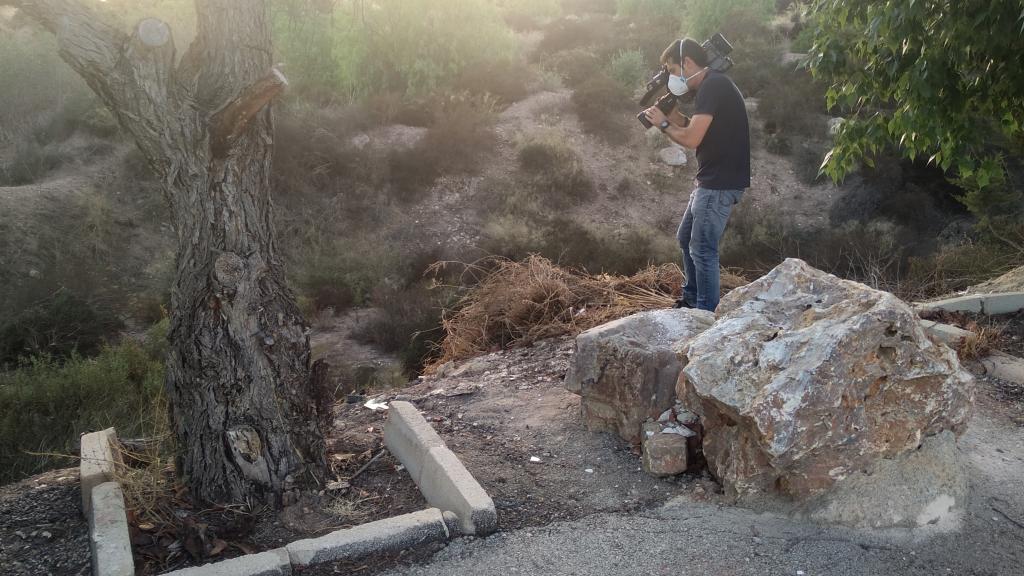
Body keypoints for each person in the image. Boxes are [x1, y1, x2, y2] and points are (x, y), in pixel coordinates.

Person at [643, 38, 750, 312]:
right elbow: (696, 130)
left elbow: (691, 140)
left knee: (702, 248)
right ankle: (692, 300)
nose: (671, 77)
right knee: (685, 237)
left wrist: (663, 123)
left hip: (719, 182)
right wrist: (674, 117)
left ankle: (704, 313)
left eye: (672, 69)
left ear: (687, 63)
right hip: (712, 179)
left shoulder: (713, 85)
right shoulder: (711, 86)